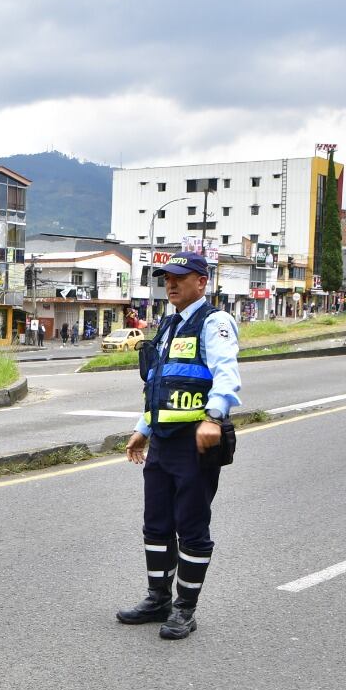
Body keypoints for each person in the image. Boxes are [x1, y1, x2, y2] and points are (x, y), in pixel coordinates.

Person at [121, 251, 241, 640]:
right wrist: (144, 428)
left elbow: (226, 373)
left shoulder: (214, 322)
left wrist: (213, 417)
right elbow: (159, 383)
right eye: (166, 278)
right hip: (163, 443)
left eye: (179, 277)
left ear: (201, 282)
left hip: (196, 443)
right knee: (156, 524)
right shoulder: (170, 325)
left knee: (191, 527)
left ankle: (184, 609)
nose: (170, 284)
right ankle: (158, 599)